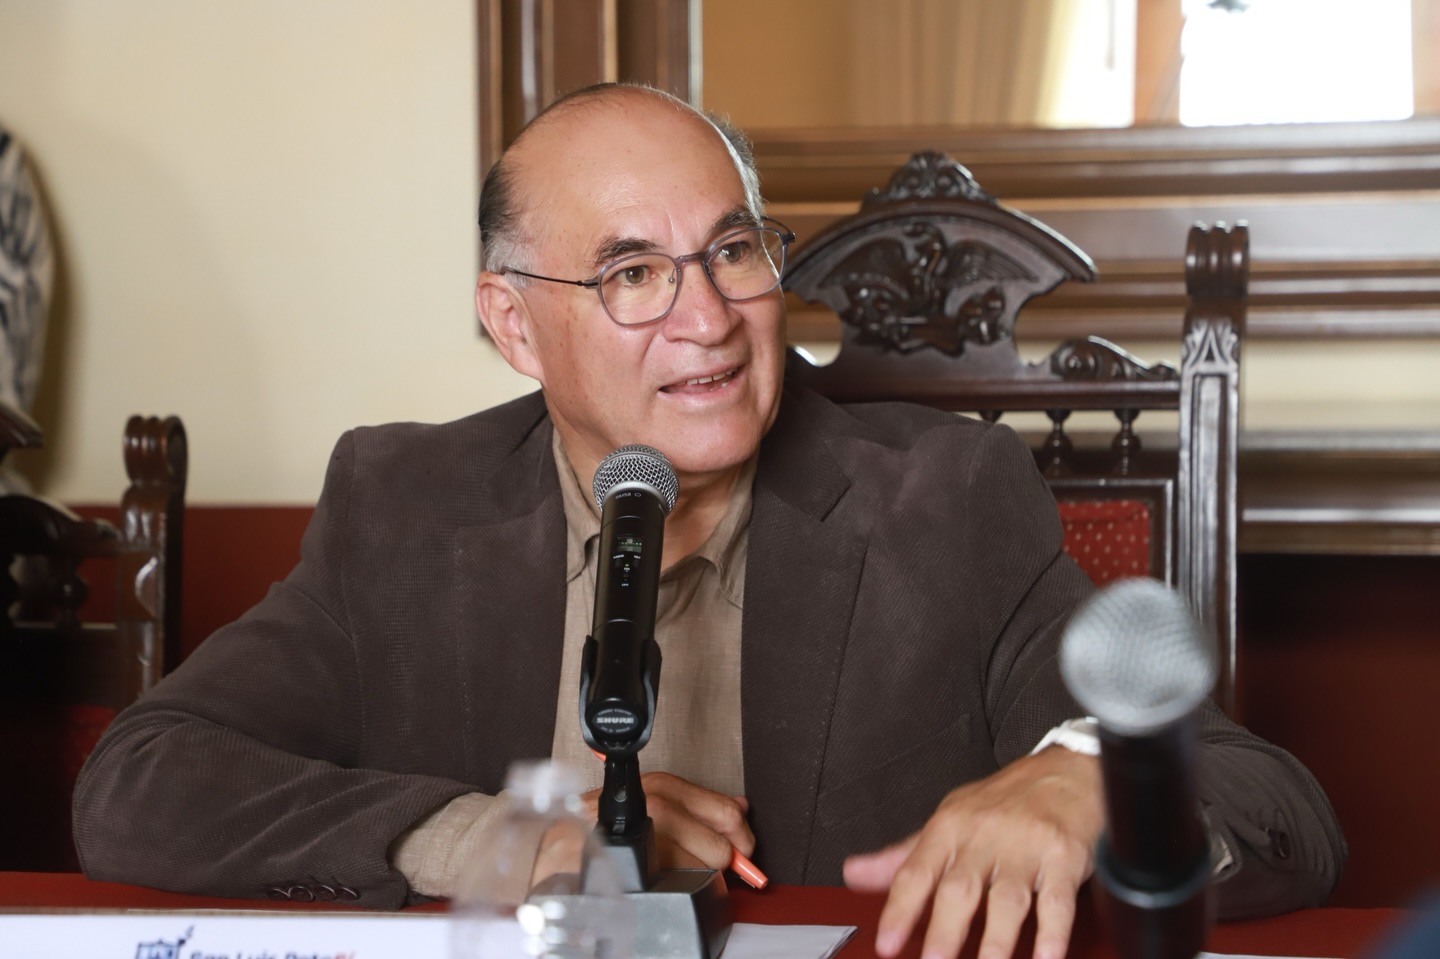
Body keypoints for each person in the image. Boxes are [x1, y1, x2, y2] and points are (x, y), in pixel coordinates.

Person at [73, 84, 1345, 959]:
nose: (707, 319)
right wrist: (501, 837)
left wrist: (1087, 784)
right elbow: (140, 779)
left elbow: (1279, 803)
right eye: (632, 273)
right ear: (513, 323)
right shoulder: (405, 507)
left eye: (734, 251)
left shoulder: (945, 500)